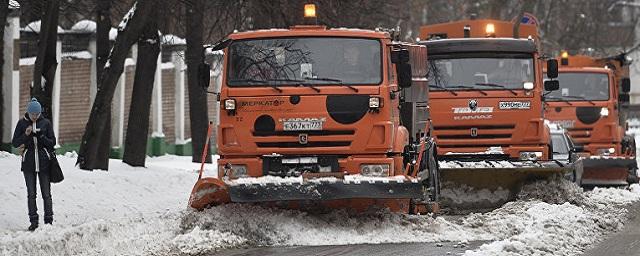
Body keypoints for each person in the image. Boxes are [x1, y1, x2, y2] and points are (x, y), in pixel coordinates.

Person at [11, 98, 57, 231]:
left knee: (46, 193)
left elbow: (52, 142)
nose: (35, 117)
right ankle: (33, 220)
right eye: (33, 115)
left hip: (44, 163)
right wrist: (26, 135)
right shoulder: (21, 123)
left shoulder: (46, 123)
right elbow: (15, 142)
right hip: (29, 163)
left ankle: (48, 221)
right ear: (28, 113)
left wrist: (42, 136)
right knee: (31, 193)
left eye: (37, 115)